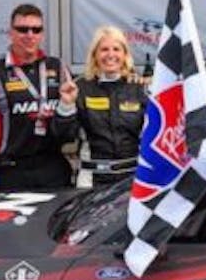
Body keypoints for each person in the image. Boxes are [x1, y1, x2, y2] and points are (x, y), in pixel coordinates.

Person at [0, 3, 76, 195]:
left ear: (42, 34)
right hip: (12, 170)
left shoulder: (58, 67)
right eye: (22, 29)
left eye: (36, 29)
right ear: (11, 33)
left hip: (53, 166)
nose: (30, 35)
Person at [54, 26, 146, 188]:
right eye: (104, 49)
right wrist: (66, 104)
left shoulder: (138, 88)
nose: (110, 55)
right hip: (92, 179)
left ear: (125, 55)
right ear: (95, 55)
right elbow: (63, 136)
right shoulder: (79, 88)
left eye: (116, 49)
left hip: (132, 179)